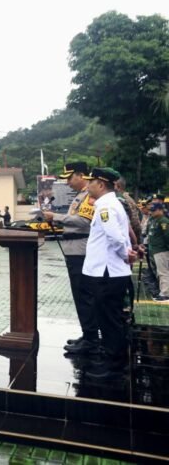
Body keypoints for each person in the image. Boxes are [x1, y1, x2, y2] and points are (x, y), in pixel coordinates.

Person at [81, 167, 137, 379]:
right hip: (110, 271)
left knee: (108, 318)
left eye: (91, 182)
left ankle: (114, 365)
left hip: (107, 272)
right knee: (111, 316)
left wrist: (125, 255)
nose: (87, 186)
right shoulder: (111, 204)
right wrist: (127, 253)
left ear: (101, 184)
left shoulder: (106, 206)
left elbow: (114, 237)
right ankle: (116, 359)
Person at [43, 162, 98, 354]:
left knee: (84, 295)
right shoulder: (80, 196)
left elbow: (83, 222)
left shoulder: (88, 196)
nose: (67, 182)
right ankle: (88, 334)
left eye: (69, 177)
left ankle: (91, 339)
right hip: (74, 250)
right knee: (80, 295)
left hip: (80, 251)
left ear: (81, 175)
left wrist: (56, 217)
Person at [144, 202, 169, 303]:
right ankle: (162, 291)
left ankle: (165, 293)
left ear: (160, 210)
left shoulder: (163, 221)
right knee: (158, 272)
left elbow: (167, 236)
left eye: (154, 210)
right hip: (154, 250)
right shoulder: (154, 220)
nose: (151, 212)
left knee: (163, 272)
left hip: (161, 250)